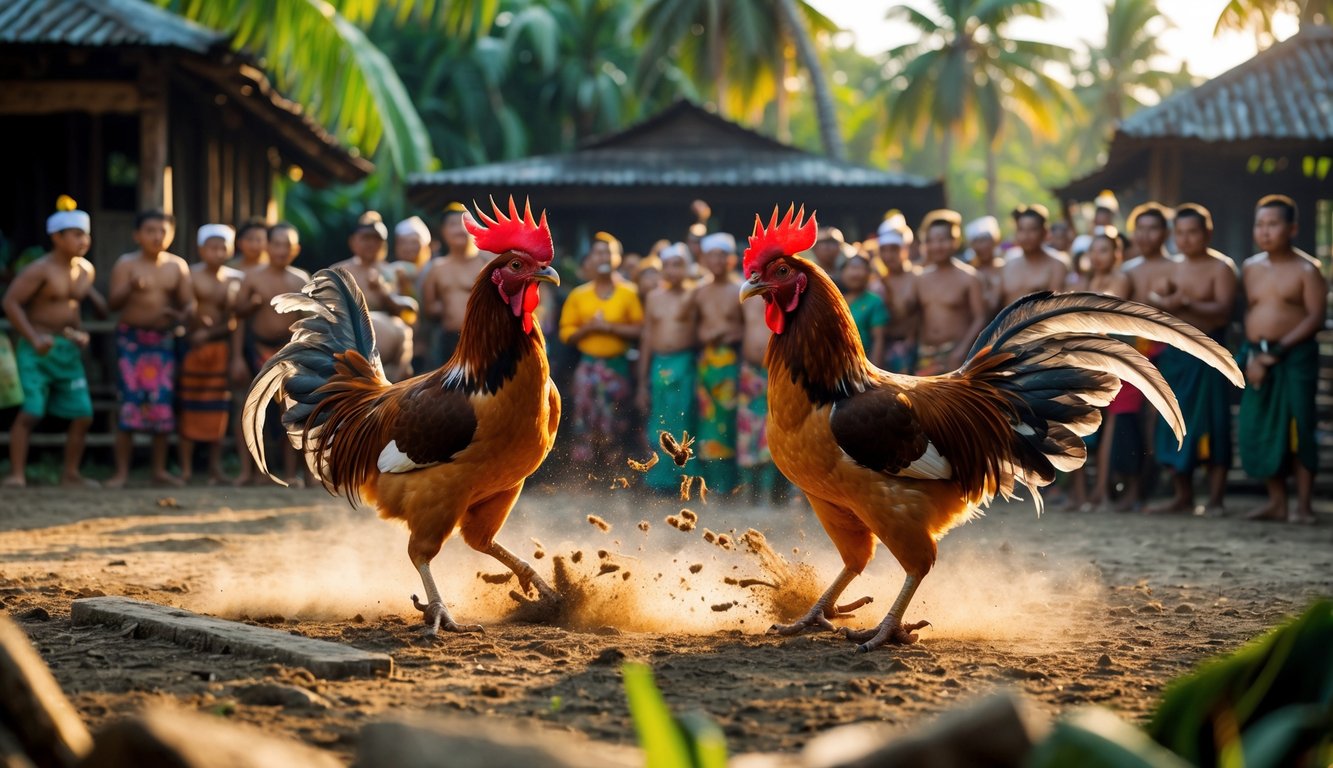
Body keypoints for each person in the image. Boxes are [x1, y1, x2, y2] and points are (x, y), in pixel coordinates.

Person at [1143, 204, 1238, 516]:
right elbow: (1155, 299)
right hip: (1176, 357)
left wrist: (1186, 302)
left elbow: (1224, 311)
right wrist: (1166, 301)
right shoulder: (1172, 268)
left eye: (1192, 232)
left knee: (1213, 422)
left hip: (1209, 355)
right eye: (1180, 233)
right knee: (1171, 423)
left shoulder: (1222, 267)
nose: (1186, 239)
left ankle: (1215, 499)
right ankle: (1182, 496)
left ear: (1207, 233)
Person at [2, 197, 101, 488]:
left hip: (66, 350)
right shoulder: (39, 269)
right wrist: (33, 338)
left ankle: (71, 473)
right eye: (76, 234)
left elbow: (73, 310)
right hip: (37, 348)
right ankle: (17, 474)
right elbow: (10, 302)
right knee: (31, 412)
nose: (84, 240)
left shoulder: (86, 270)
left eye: (86, 234)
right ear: (56, 237)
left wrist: (79, 333)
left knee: (83, 414)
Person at [1238, 195, 1325, 525]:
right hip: (1256, 353)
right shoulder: (1250, 267)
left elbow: (1314, 317)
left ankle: (1302, 506)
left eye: (1273, 224)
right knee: (1257, 424)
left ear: (1292, 228)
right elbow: (1249, 310)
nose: (1265, 231)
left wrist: (1275, 352)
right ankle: (1277, 502)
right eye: (1260, 224)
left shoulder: (1308, 269)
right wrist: (1254, 354)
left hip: (1293, 358)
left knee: (1299, 426)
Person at [106, 209, 194, 488]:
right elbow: (113, 304)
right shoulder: (126, 265)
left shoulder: (177, 266)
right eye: (151, 230)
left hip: (162, 341)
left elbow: (189, 303)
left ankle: (158, 470)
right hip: (131, 341)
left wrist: (183, 315)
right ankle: (121, 473)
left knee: (161, 405)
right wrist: (130, 287)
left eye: (163, 230)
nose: (158, 236)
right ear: (137, 235)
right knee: (129, 403)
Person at [232, 221, 311, 486]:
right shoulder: (252, 277)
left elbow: (309, 326)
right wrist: (236, 358)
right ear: (267, 246)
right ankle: (252, 472)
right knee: (251, 409)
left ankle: (291, 473)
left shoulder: (301, 279)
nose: (281, 250)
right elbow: (239, 319)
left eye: (287, 245)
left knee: (292, 412)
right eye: (276, 244)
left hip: (290, 353)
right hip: (256, 350)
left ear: (297, 249)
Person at [559, 231, 643, 469]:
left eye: (608, 251)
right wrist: (588, 330)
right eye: (598, 252)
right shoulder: (579, 294)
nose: (603, 256)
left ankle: (612, 474)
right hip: (587, 367)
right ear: (591, 259)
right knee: (584, 421)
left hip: (617, 367)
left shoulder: (629, 293)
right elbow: (566, 333)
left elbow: (640, 330)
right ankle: (584, 474)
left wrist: (609, 327)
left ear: (618, 257)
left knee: (616, 420)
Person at [178, 224, 242, 485]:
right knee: (188, 406)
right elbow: (182, 311)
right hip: (192, 348)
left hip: (219, 349)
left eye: (222, 247)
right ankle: (185, 469)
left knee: (218, 409)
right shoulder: (188, 275)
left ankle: (215, 468)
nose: (217, 252)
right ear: (201, 249)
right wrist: (193, 325)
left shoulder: (235, 279)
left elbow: (235, 320)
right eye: (212, 247)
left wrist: (212, 331)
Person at [1079, 227, 1133, 511]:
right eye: (1094, 251)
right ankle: (1089, 494)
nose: (1098, 256)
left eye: (1104, 250)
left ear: (1117, 254)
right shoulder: (1091, 279)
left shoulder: (1120, 279)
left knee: (1112, 428)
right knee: (1090, 428)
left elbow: (1107, 316)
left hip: (1112, 360)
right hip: (1088, 359)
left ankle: (1104, 493)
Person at [636, 243, 697, 492]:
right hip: (660, 366)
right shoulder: (653, 297)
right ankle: (659, 481)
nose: (672, 270)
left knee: (686, 420)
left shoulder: (695, 295)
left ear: (688, 267)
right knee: (658, 423)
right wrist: (641, 383)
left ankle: (688, 479)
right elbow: (648, 337)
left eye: (678, 264)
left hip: (686, 363)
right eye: (668, 265)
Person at [687, 232, 744, 494]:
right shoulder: (698, 291)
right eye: (712, 255)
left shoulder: (741, 289)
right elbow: (690, 329)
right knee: (707, 420)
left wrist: (733, 335)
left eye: (722, 255)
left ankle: (733, 483)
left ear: (731, 259)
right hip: (707, 362)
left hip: (732, 363)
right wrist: (704, 336)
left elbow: (752, 327)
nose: (717, 260)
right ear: (704, 259)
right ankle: (710, 483)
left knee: (731, 420)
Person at [331, 212, 417, 381]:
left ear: (383, 244)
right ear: (353, 242)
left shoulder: (392, 273)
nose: (370, 243)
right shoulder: (338, 272)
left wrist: (382, 292)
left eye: (376, 239)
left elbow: (407, 314)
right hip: (347, 355)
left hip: (390, 365)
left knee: (405, 332)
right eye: (365, 238)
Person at [912, 210, 986, 375]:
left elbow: (980, 318)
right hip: (926, 354)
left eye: (942, 240)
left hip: (958, 351)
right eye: (931, 241)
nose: (937, 246)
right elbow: (914, 316)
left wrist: (962, 350)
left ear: (955, 241)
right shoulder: (920, 278)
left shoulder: (969, 277)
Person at [421, 203, 486, 368]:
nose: (460, 229)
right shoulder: (437, 268)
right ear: (443, 232)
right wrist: (449, 307)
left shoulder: (487, 263)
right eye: (453, 224)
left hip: (486, 338)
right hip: (449, 341)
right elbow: (428, 309)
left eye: (465, 223)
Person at [737, 278, 784, 506]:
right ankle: (747, 494)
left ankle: (769, 495)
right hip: (749, 372)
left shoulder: (787, 291)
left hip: (779, 369)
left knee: (774, 429)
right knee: (747, 430)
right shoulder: (744, 292)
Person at [999, 204, 1068, 307]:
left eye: (1032, 230)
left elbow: (1055, 306)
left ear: (1044, 232)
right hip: (1008, 322)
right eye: (1021, 229)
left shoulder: (1057, 264)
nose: (1026, 235)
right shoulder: (1008, 263)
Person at [877, 217, 918, 373]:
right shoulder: (875, 283)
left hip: (912, 349)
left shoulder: (918, 278)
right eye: (884, 250)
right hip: (882, 349)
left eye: (894, 249)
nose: (888, 255)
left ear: (905, 249)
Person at [840, 255, 888, 365]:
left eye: (860, 268)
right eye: (852, 267)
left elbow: (878, 339)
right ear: (842, 272)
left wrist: (874, 372)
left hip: (862, 365)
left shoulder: (874, 301)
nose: (855, 273)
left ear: (869, 275)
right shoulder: (834, 299)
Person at [965, 215, 1005, 317]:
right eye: (977, 241)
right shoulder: (968, 272)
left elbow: (994, 304)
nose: (982, 246)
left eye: (985, 240)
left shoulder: (1004, 268)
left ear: (995, 241)